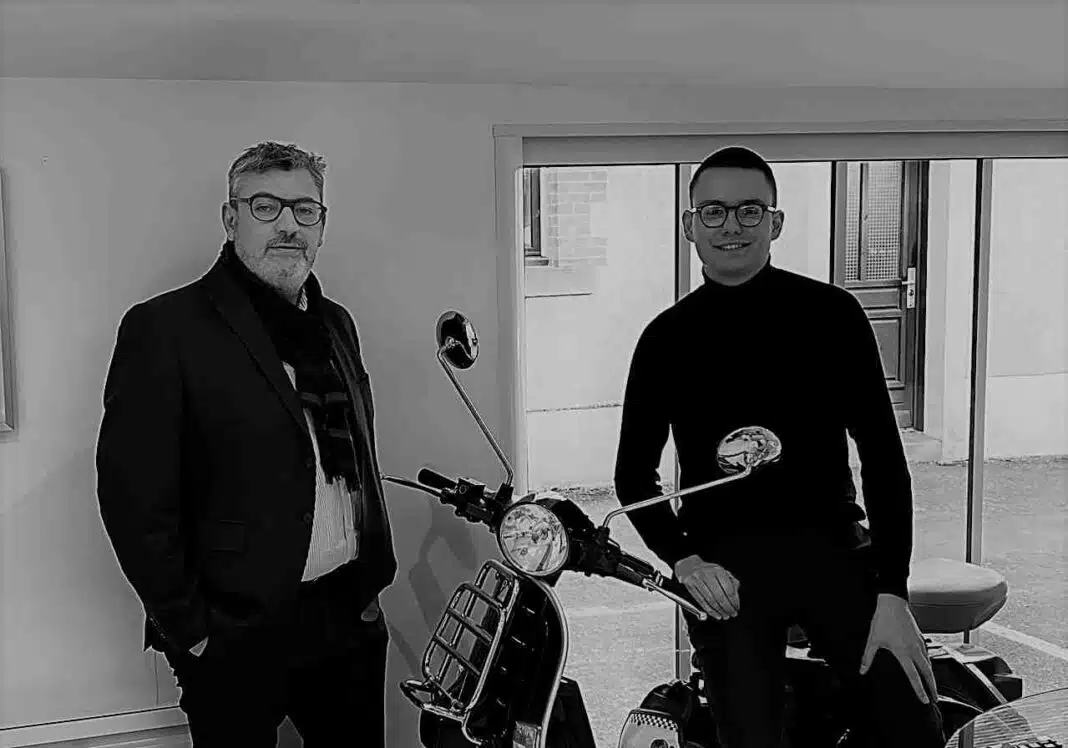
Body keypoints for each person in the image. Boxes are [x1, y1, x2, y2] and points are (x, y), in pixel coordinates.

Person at [613, 146, 945, 747]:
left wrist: (893, 593)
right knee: (750, 737)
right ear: (689, 225)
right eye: (713, 211)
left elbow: (883, 459)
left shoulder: (833, 315)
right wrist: (685, 561)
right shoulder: (665, 339)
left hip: (833, 548)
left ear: (776, 222)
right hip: (725, 568)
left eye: (750, 210)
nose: (731, 226)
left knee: (912, 723)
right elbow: (633, 477)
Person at [96, 141, 397, 747]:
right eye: (265, 206)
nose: (288, 225)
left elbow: (356, 460)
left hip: (345, 617)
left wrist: (368, 586)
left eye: (305, 210)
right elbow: (134, 499)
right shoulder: (166, 328)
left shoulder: (335, 324)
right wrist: (192, 630)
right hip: (231, 631)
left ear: (321, 226)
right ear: (231, 219)